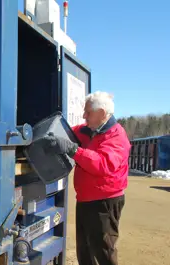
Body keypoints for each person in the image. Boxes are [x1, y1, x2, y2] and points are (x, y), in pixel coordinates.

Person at [43, 91, 131, 265]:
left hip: (104, 202)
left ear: (102, 114)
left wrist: (73, 149)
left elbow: (103, 164)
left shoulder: (117, 137)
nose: (84, 116)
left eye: (88, 112)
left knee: (103, 251)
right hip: (85, 199)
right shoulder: (89, 131)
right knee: (84, 250)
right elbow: (68, 133)